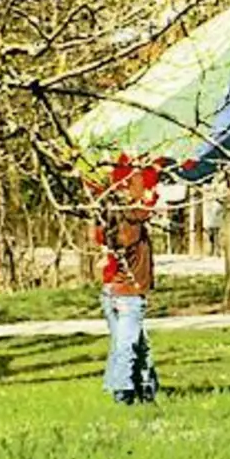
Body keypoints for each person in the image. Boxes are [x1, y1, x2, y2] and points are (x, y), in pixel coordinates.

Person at [95, 158, 160, 404]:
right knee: (127, 344)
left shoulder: (106, 222)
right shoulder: (131, 223)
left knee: (139, 344)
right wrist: (144, 173)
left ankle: (146, 387)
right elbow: (143, 208)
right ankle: (121, 390)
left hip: (111, 290)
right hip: (128, 293)